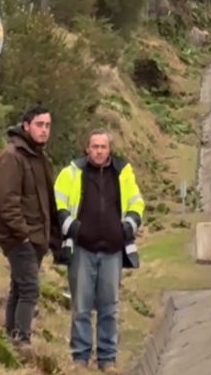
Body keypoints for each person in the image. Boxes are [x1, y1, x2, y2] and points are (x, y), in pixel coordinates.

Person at [54, 129, 145, 373]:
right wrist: (73, 229)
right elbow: (59, 204)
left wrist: (127, 228)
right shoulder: (72, 172)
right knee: (81, 307)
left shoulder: (123, 173)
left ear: (109, 149)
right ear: (87, 148)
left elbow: (137, 203)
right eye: (94, 146)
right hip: (82, 250)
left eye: (103, 147)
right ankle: (80, 359)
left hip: (113, 251)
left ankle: (107, 359)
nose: (99, 151)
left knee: (109, 307)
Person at [0, 106, 62, 355]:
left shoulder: (39, 157)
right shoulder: (12, 157)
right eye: (39, 125)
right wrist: (22, 234)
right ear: (26, 126)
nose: (44, 130)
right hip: (19, 237)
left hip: (35, 236)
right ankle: (22, 342)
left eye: (47, 125)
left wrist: (51, 236)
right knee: (30, 289)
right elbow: (7, 202)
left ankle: (10, 340)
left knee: (19, 288)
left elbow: (46, 201)